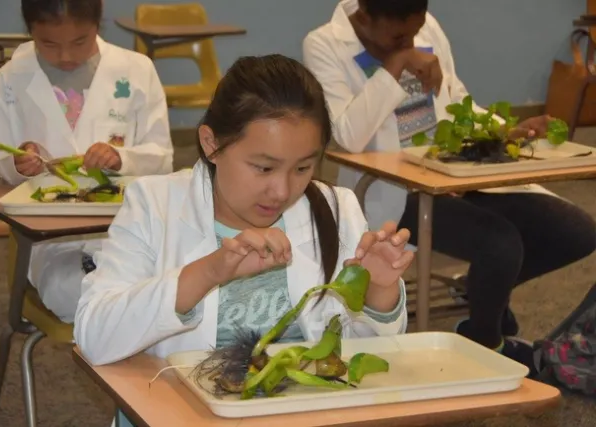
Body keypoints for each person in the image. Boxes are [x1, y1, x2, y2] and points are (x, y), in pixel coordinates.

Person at [74, 54, 414, 424]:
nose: (282, 189)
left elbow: (358, 358)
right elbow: (95, 336)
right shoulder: (154, 205)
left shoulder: (336, 208)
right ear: (211, 144)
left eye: (302, 168)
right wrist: (207, 273)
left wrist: (379, 291)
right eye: (263, 168)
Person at [303, 0, 596, 371]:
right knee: (500, 244)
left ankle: (482, 294)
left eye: (415, 31)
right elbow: (348, 137)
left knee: (576, 232)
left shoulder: (425, 27)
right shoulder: (325, 44)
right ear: (364, 16)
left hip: (458, 174)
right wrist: (394, 67)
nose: (411, 40)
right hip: (395, 191)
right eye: (399, 36)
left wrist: (503, 130)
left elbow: (456, 102)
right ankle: (487, 344)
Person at [0, 0, 174, 322]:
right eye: (49, 44)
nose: (66, 56)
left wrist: (120, 158)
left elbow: (162, 157)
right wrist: (16, 161)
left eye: (80, 41)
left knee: (178, 284)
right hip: (52, 239)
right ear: (30, 32)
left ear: (98, 24)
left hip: (125, 228)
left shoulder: (137, 71)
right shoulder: (8, 80)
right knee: (72, 291)